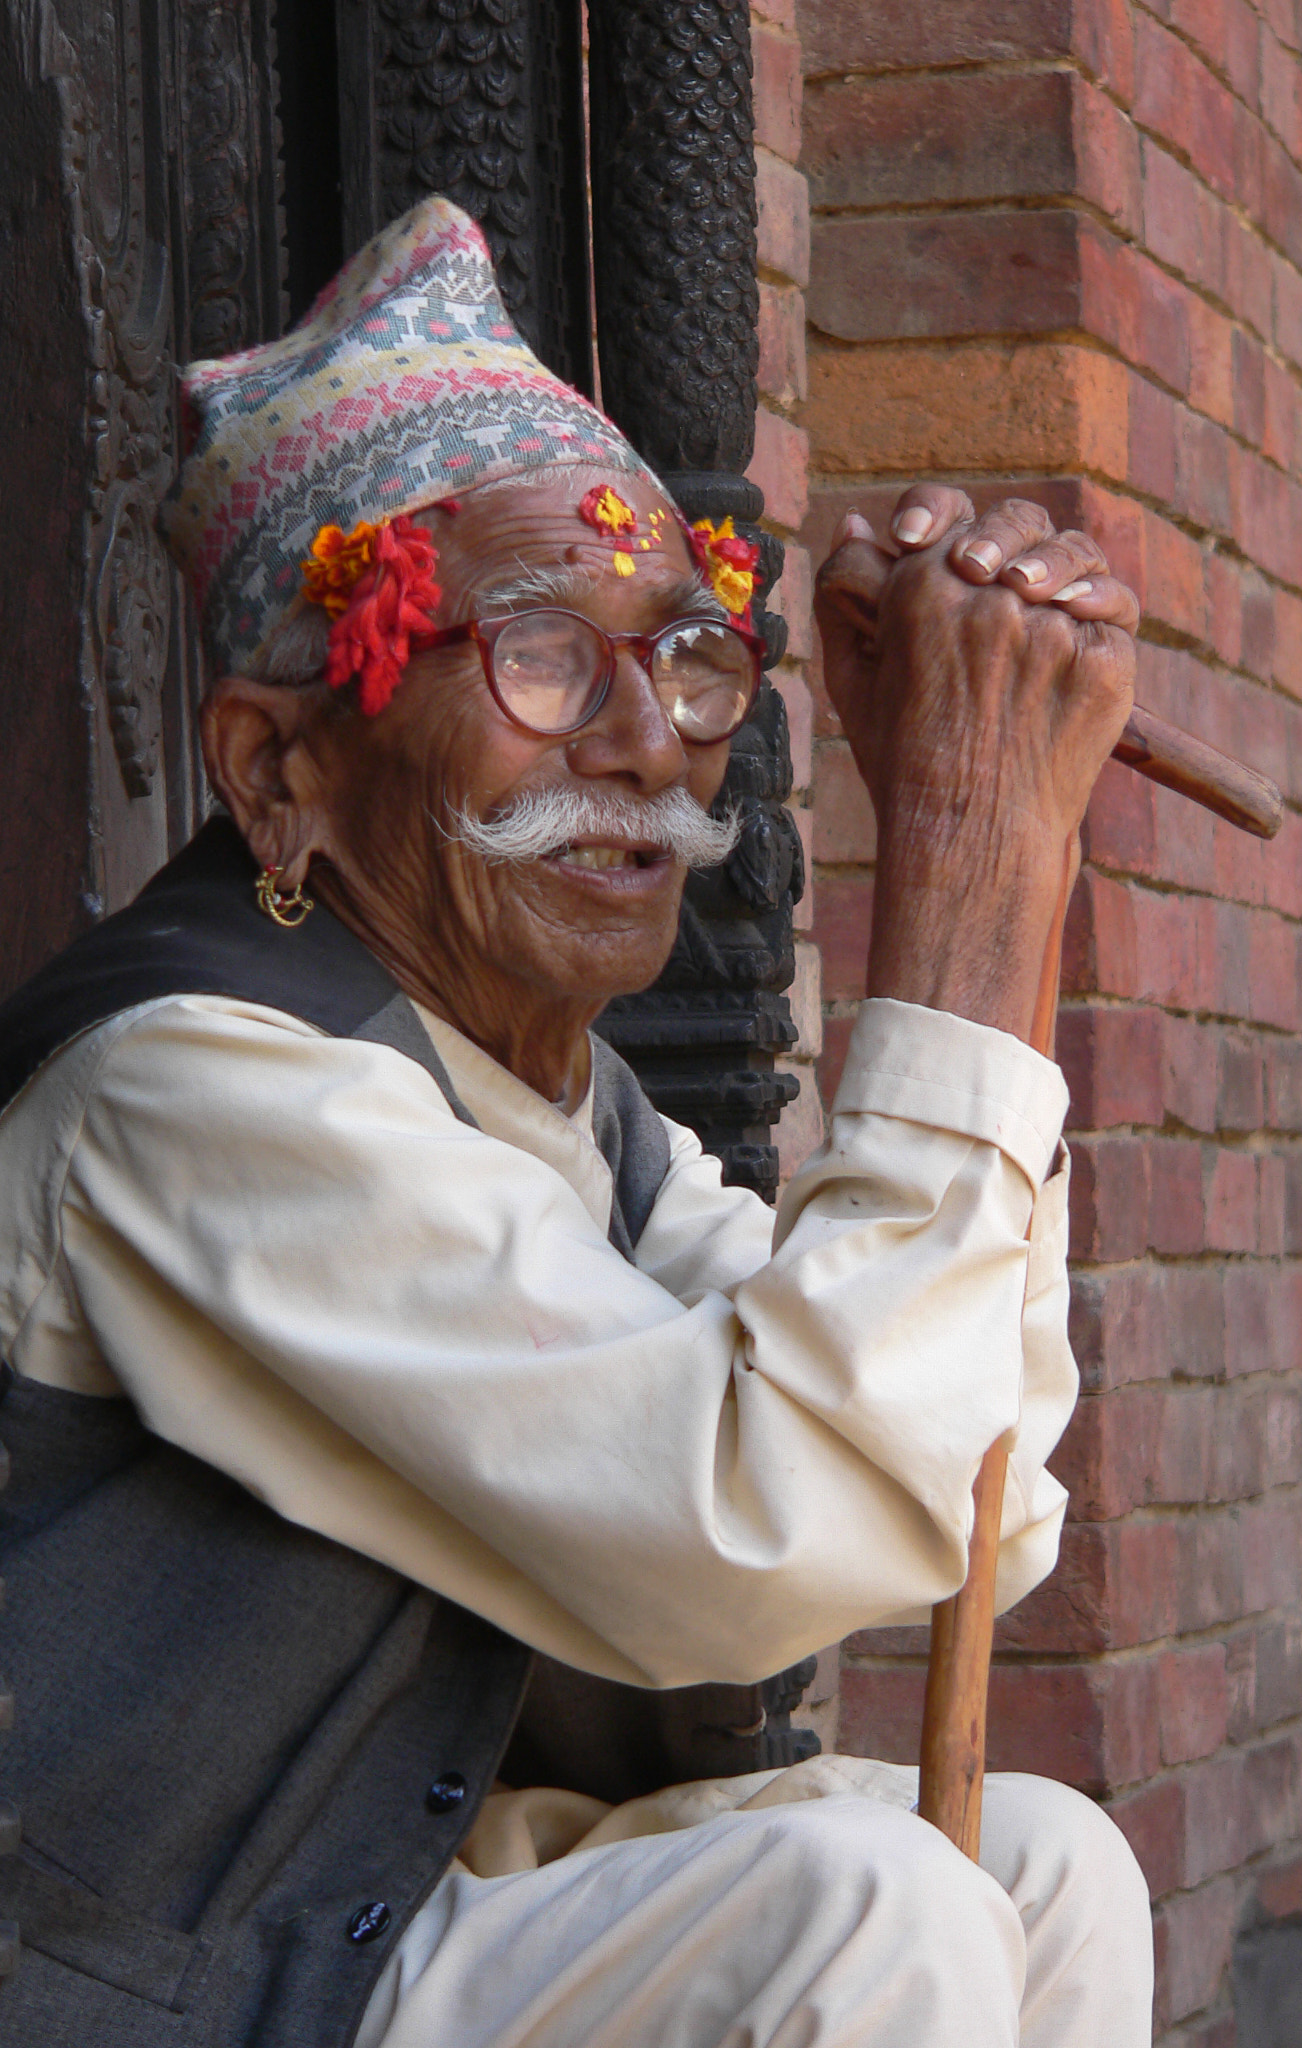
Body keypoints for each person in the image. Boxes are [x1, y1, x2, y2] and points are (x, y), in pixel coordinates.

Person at [0, 198, 1153, 2047]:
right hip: (158, 1987)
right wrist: (951, 885)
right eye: (540, 659)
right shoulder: (196, 1084)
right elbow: (751, 1532)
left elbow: (954, 1508)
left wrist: (1006, 860)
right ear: (277, 767)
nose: (647, 742)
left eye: (691, 660)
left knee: (1040, 1860)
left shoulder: (567, 1109)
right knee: (869, 1910)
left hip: (372, 1925)